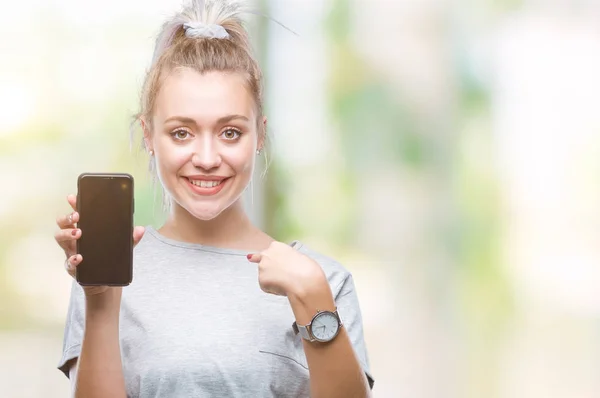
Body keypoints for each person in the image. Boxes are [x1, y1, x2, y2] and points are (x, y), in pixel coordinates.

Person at [54, 0, 374, 396]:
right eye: (181, 133)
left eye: (230, 133)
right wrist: (100, 301)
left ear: (259, 135)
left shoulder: (323, 280)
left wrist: (313, 298)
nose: (206, 159)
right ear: (150, 136)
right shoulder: (106, 273)